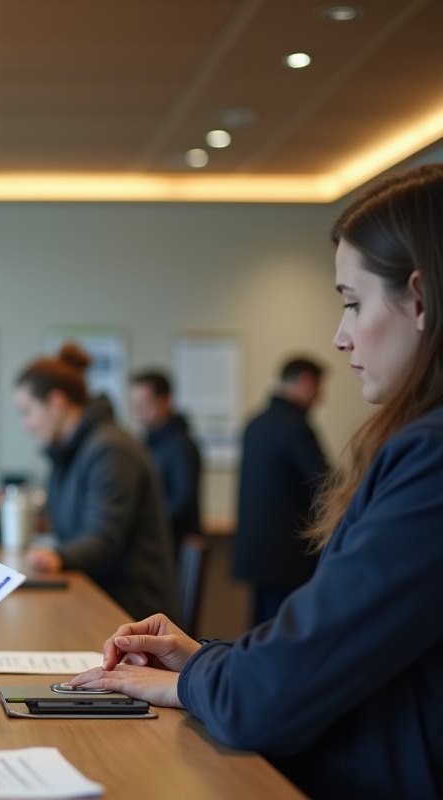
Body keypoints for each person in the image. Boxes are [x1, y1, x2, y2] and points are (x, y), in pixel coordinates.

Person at [66, 163, 443, 800]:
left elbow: (268, 699)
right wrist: (204, 659)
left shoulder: (430, 458)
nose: (340, 336)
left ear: (419, 299)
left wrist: (196, 678)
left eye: (352, 303)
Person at [16, 344, 178, 621]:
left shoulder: (110, 450)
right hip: (96, 595)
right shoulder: (71, 452)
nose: (27, 424)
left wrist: (60, 556)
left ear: (56, 403)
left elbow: (104, 536)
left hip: (130, 610)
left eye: (27, 411)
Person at [233, 357, 328, 625]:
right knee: (286, 633)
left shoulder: (255, 423)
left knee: (259, 631)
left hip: (258, 554)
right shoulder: (296, 427)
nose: (321, 397)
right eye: (320, 388)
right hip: (290, 558)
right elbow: (323, 485)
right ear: (306, 382)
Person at [129, 370, 202, 551]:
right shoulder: (147, 443)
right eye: (135, 404)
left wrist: (144, 521)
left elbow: (182, 502)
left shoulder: (181, 445)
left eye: (144, 403)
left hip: (175, 545)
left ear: (165, 401)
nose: (139, 411)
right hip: (156, 542)